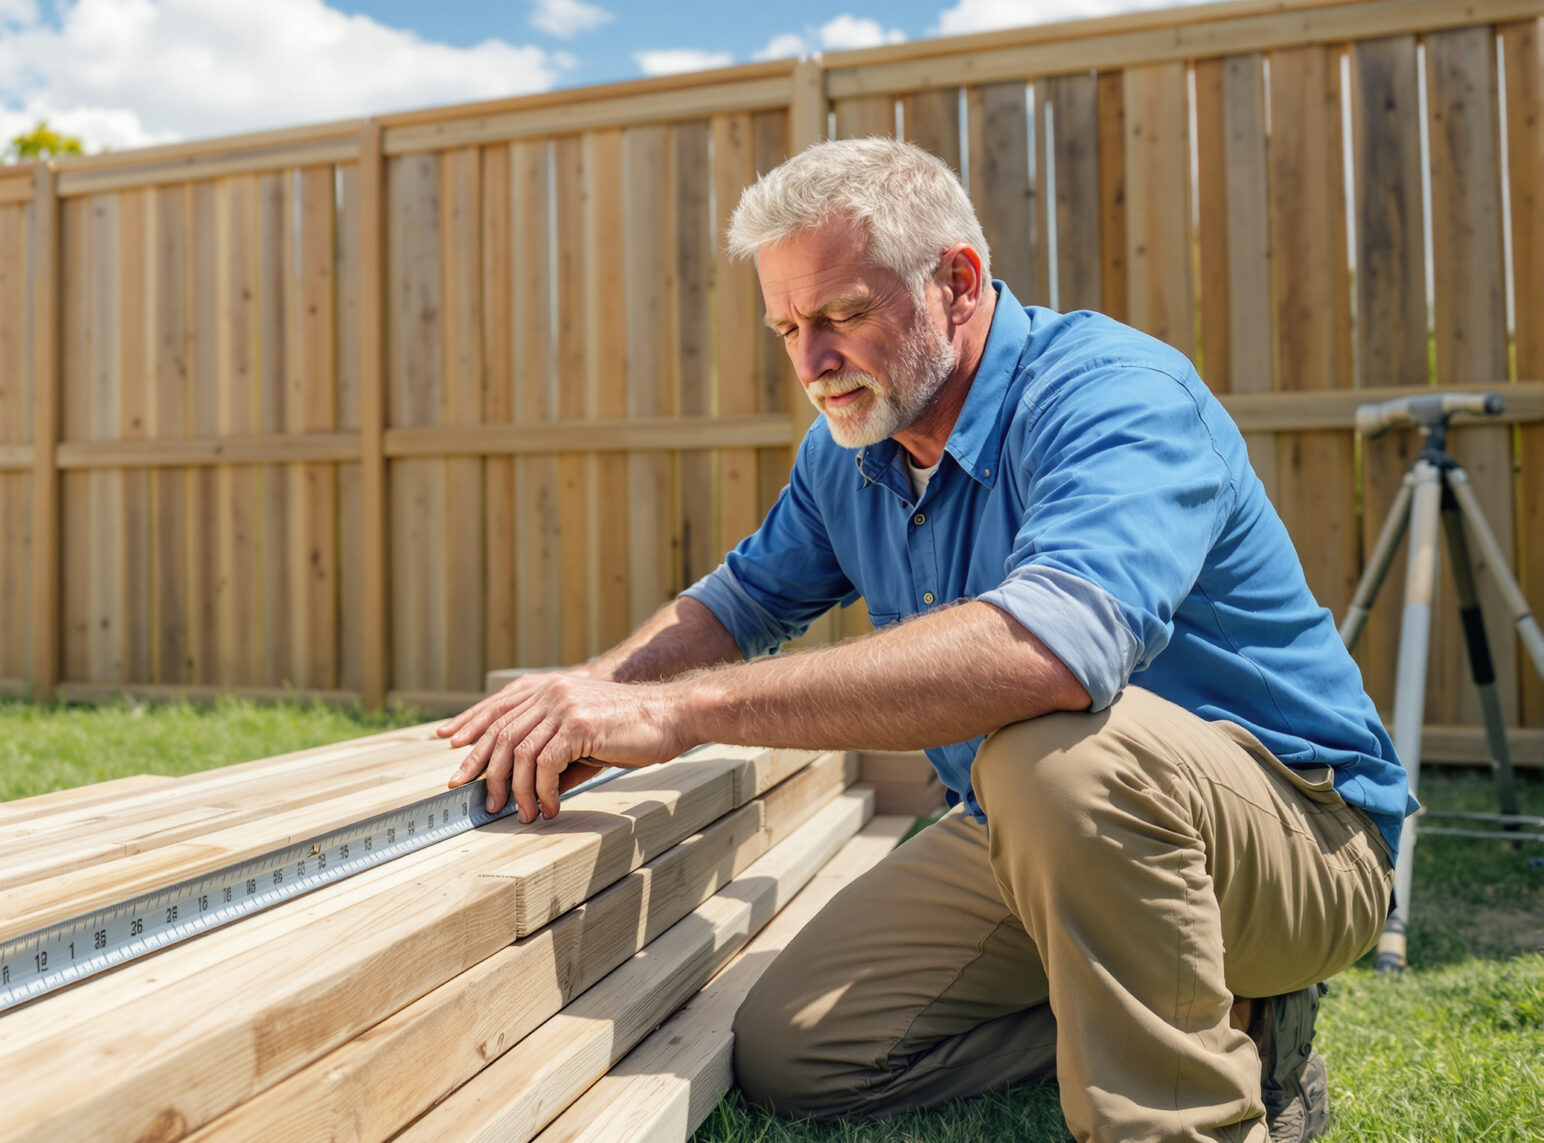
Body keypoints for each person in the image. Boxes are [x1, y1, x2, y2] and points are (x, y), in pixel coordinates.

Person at [436, 137, 1413, 1143]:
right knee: (799, 1047)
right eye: (785, 328)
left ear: (955, 280)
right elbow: (731, 608)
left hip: (1295, 838)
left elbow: (1049, 651)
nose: (811, 363)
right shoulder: (850, 452)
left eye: (841, 316)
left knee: (1049, 747)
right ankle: (1229, 1020)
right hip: (1036, 828)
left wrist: (683, 711)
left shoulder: (1113, 396)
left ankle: (1190, 1117)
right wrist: (585, 700)